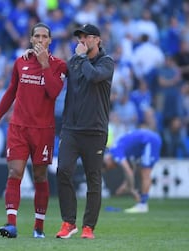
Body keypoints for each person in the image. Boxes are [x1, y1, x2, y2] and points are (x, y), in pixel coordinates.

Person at [0, 22, 67, 238]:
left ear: (50, 40)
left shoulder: (59, 65)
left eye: (44, 37)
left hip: (43, 130)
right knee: (15, 172)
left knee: (40, 176)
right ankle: (11, 224)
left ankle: (38, 227)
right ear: (31, 39)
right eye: (37, 36)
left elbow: (53, 93)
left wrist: (44, 65)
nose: (41, 40)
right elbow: (11, 92)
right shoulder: (20, 63)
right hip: (18, 127)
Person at [55, 24, 114, 239]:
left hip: (95, 130)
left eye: (86, 38)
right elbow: (54, 71)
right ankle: (68, 222)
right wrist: (33, 57)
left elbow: (93, 77)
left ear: (97, 40)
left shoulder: (106, 62)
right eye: (80, 39)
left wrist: (79, 59)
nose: (82, 42)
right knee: (63, 171)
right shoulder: (74, 62)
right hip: (71, 129)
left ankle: (88, 226)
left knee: (93, 178)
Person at [103, 128, 162, 213]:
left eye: (107, 167)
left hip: (149, 141)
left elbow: (128, 171)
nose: (112, 167)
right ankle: (142, 203)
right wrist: (126, 184)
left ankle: (142, 205)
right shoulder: (117, 148)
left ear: (108, 159)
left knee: (145, 173)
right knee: (141, 170)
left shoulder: (115, 152)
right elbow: (132, 168)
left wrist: (131, 190)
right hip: (146, 141)